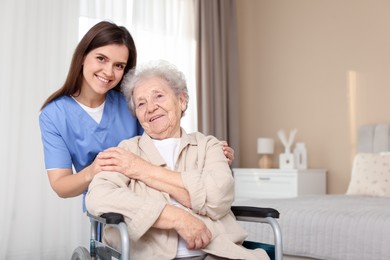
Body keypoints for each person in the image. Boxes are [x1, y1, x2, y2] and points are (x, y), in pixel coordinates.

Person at [85, 60, 269, 260]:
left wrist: (141, 170)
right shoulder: (127, 151)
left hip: (217, 253)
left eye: (159, 96)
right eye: (141, 103)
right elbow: (98, 197)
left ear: (181, 100)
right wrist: (176, 217)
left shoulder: (209, 146)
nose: (151, 108)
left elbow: (218, 197)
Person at [39, 21, 234, 208]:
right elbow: (61, 185)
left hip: (155, 192)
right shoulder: (54, 115)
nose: (108, 72)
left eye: (119, 65)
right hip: (110, 201)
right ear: (82, 57)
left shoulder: (133, 102)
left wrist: (207, 154)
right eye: (101, 58)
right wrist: (94, 170)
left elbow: (164, 138)